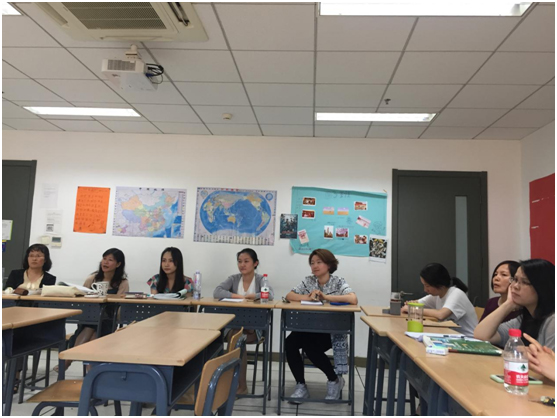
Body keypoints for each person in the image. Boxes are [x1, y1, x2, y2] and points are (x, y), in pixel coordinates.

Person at [285, 249, 357, 402]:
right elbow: (289, 295)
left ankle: (333, 380)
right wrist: (308, 297)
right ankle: (300, 385)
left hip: (331, 331)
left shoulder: (338, 281)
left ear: (329, 265)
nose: (315, 266)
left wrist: (326, 297)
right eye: (312, 263)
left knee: (310, 346)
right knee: (290, 342)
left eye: (319, 262)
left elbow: (353, 299)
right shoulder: (308, 281)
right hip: (309, 328)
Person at [213, 248, 273, 395]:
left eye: (246, 261)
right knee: (236, 336)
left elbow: (270, 294)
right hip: (234, 326)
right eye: (239, 261)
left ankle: (240, 386)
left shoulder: (261, 280)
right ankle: (233, 383)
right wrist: (238, 296)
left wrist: (255, 295)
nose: (242, 265)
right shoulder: (234, 279)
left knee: (238, 338)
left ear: (255, 263)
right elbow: (217, 292)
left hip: (255, 329)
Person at [58, 248, 129, 371]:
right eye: (104, 258)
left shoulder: (122, 282)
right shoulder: (93, 278)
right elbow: (82, 298)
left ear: (118, 264)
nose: (105, 262)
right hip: (89, 318)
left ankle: (68, 361)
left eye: (110, 260)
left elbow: (120, 304)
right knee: (92, 330)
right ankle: (91, 375)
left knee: (93, 331)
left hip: (108, 320)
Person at [474, 259, 555, 351]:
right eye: (515, 280)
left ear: (542, 287)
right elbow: (481, 335)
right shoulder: (524, 319)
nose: (515, 286)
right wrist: (509, 304)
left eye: (524, 282)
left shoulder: (553, 320)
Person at [401, 263, 477, 337]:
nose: (425, 290)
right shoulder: (437, 295)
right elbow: (415, 304)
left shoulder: (456, 293)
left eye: (427, 286)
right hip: (452, 336)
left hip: (469, 339)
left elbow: (441, 315)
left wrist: (412, 309)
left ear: (440, 284)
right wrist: (410, 305)